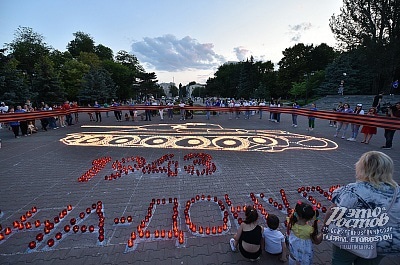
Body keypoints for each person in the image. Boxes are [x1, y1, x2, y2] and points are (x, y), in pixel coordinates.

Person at [326, 151, 399, 264]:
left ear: (362, 168)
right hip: (380, 243)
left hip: (349, 241)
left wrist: (324, 230)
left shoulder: (352, 190)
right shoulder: (397, 192)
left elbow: (333, 212)